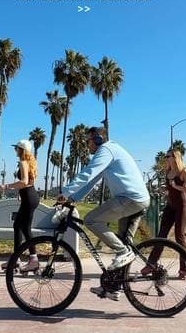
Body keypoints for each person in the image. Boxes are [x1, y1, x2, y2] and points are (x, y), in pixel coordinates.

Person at [57, 126, 150, 301]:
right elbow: (92, 180)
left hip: (131, 199)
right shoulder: (109, 152)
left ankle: (123, 252)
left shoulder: (106, 150)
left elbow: (88, 173)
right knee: (122, 244)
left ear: (98, 139)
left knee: (91, 220)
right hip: (130, 199)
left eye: (88, 141)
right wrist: (73, 198)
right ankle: (113, 287)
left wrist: (66, 192)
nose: (87, 144)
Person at [141, 149, 186, 278]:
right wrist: (166, 189)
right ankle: (151, 264)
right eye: (166, 156)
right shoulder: (168, 172)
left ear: (175, 157)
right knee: (161, 235)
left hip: (182, 206)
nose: (166, 158)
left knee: (179, 236)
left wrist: (176, 187)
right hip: (170, 206)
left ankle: (185, 269)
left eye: (168, 156)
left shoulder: (183, 172)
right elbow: (171, 188)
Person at [0, 139, 40, 272]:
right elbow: (29, 183)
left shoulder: (23, 162)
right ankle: (17, 259)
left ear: (21, 150)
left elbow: (23, 182)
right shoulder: (30, 162)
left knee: (25, 228)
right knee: (19, 226)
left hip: (29, 198)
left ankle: (33, 260)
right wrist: (20, 194)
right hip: (30, 197)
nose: (15, 150)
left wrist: (6, 186)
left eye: (16, 148)